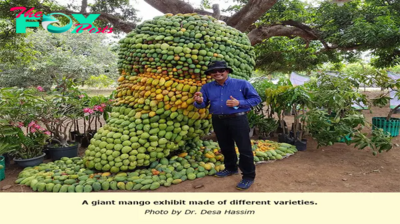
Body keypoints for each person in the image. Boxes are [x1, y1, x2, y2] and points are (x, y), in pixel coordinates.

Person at [193, 60, 262, 190]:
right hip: (218, 120)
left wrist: (239, 103)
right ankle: (231, 168)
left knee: (244, 148)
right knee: (225, 146)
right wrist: (199, 102)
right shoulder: (207, 87)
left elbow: (256, 99)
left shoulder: (242, 84)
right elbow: (202, 104)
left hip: (238, 120)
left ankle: (248, 176)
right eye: (214, 71)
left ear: (227, 71)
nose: (217, 73)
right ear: (210, 74)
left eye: (221, 70)